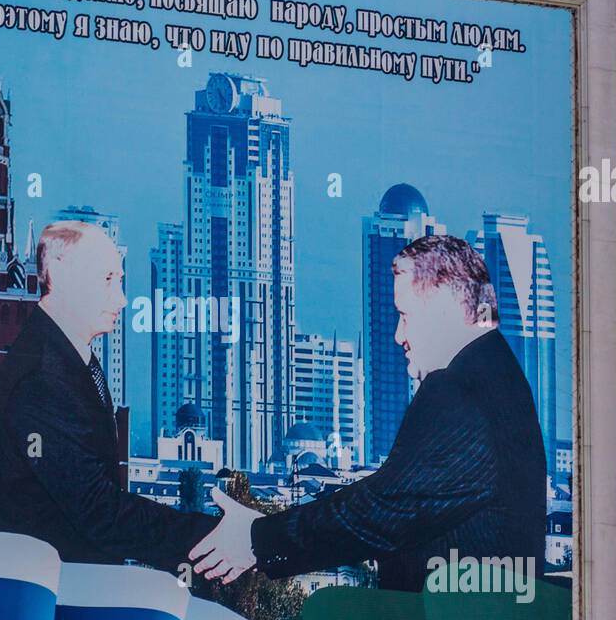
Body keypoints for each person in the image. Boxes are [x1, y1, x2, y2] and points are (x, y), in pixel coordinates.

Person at [191, 234, 547, 590]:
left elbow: (383, 510)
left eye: (404, 316)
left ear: (443, 310)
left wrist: (258, 539)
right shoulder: (494, 372)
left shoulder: (459, 388)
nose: (397, 334)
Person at [0, 221, 215, 570]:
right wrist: (210, 537)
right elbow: (98, 513)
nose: (122, 300)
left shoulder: (67, 357)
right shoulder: (42, 377)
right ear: (61, 276)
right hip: (49, 597)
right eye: (108, 280)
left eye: (120, 281)